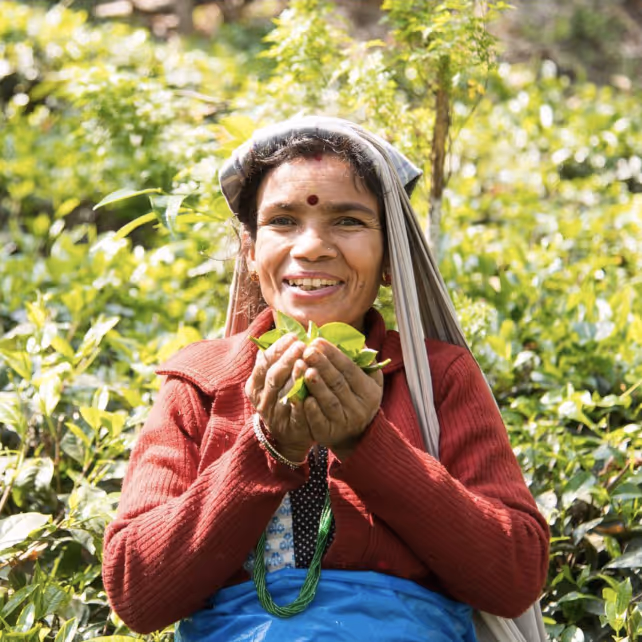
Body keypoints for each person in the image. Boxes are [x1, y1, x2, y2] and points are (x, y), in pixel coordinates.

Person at [102, 117, 550, 642]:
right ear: (250, 251)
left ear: (391, 257)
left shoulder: (437, 379)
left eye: (349, 221)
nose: (312, 246)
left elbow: (515, 577)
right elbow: (136, 593)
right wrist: (268, 449)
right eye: (283, 221)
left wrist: (367, 443)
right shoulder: (200, 384)